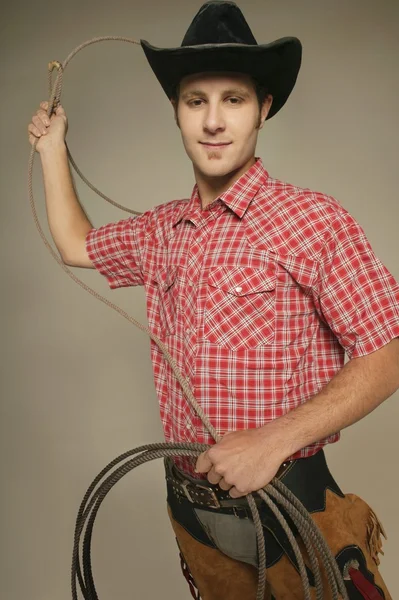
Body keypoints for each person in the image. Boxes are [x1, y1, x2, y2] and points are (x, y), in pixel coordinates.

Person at [27, 1, 399, 598]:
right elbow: (75, 244)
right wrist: (52, 151)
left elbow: (389, 352)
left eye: (234, 100)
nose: (214, 121)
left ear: (264, 109)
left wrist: (273, 441)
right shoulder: (160, 231)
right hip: (196, 521)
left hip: (292, 510)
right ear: (176, 113)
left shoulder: (312, 221)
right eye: (196, 101)